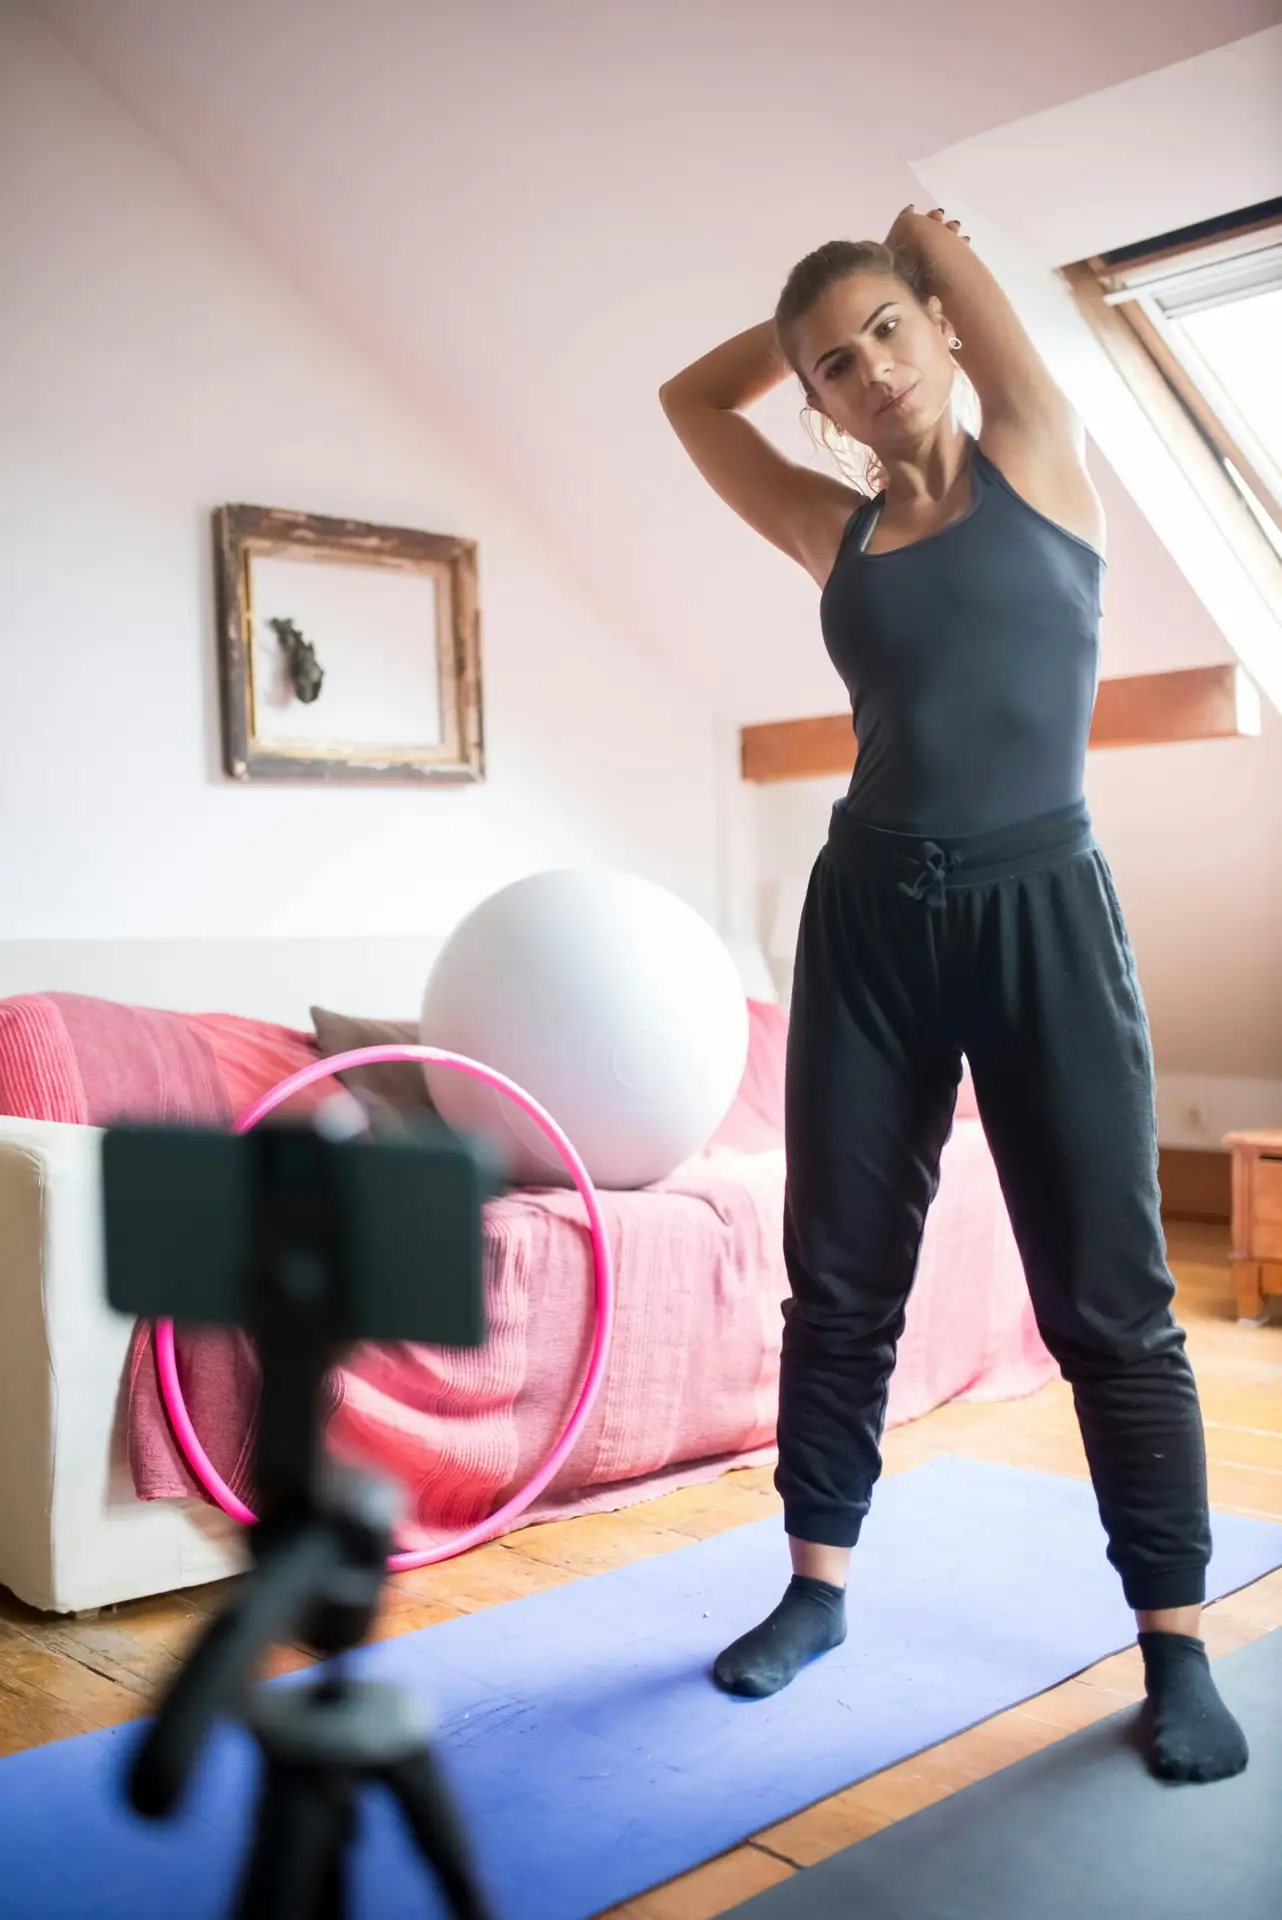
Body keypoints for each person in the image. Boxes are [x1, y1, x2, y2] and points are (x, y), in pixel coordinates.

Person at [658, 206, 1248, 1785]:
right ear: (820, 404)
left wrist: (917, 248)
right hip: (864, 921)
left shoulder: (1040, 458)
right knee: (838, 1277)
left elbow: (979, 308)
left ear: (935, 331)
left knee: (1110, 1304)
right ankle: (814, 1587)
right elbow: (683, 406)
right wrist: (789, 330)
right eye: (832, 370)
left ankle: (1174, 1645)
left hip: (1038, 913)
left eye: (887, 334)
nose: (870, 374)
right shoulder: (826, 528)